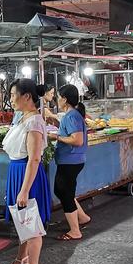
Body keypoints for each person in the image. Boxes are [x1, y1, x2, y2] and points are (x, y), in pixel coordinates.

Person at [2, 79, 51, 264]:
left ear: (27, 97)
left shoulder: (34, 122)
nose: (11, 99)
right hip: (17, 172)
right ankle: (20, 260)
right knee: (22, 222)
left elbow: (34, 159)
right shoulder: (23, 118)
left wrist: (24, 190)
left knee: (31, 227)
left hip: (27, 175)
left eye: (13, 95)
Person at [53, 85, 90, 240]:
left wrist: (56, 137)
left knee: (63, 192)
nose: (56, 99)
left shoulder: (71, 116)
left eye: (58, 96)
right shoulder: (72, 115)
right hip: (72, 160)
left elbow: (77, 140)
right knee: (65, 191)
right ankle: (82, 218)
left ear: (65, 99)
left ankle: (75, 231)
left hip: (70, 161)